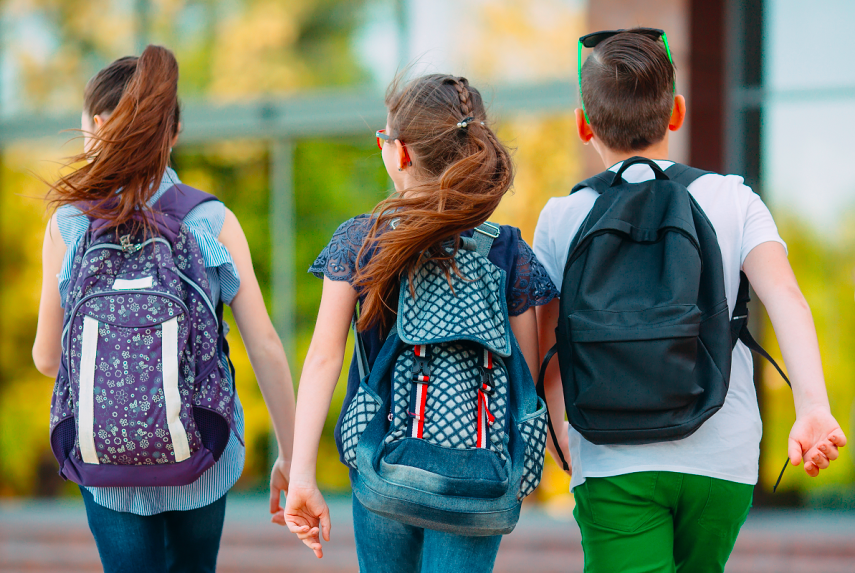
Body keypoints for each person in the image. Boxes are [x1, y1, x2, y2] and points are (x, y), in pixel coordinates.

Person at [532, 28, 847, 573]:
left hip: (613, 460)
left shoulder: (561, 217)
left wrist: (567, 451)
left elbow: (547, 350)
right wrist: (812, 407)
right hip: (720, 458)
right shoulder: (734, 196)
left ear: (584, 124)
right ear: (675, 113)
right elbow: (788, 300)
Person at [278, 73, 558, 572]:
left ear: (400, 152)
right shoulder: (509, 252)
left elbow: (323, 358)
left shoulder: (362, 241)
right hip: (479, 478)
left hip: (382, 461)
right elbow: (526, 381)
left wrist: (301, 477)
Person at [32, 46, 296, 573]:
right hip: (203, 453)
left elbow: (45, 359)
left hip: (104, 463)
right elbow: (263, 343)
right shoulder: (211, 219)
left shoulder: (69, 225)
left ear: (97, 124)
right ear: (173, 134)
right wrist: (292, 457)